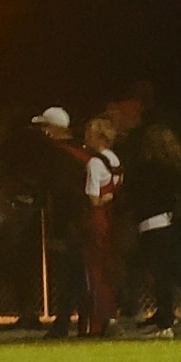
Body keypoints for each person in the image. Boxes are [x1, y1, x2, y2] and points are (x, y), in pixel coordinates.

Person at [0, 106, 87, 337]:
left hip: (72, 223)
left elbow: (60, 190)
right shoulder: (69, 153)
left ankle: (72, 321)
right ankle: (74, 320)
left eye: (45, 126)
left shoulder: (64, 155)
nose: (42, 131)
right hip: (70, 222)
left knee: (73, 273)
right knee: (72, 273)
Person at [123, 123, 181, 339]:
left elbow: (131, 194)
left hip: (152, 225)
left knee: (162, 276)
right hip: (172, 224)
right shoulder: (175, 167)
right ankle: (164, 317)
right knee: (174, 272)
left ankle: (165, 322)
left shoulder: (146, 169)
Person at [70, 116, 124, 338]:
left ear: (100, 137)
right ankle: (107, 317)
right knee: (108, 269)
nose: (85, 137)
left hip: (97, 220)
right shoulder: (115, 160)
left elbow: (93, 199)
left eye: (89, 133)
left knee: (95, 272)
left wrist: (105, 197)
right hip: (113, 221)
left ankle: (102, 320)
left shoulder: (94, 163)